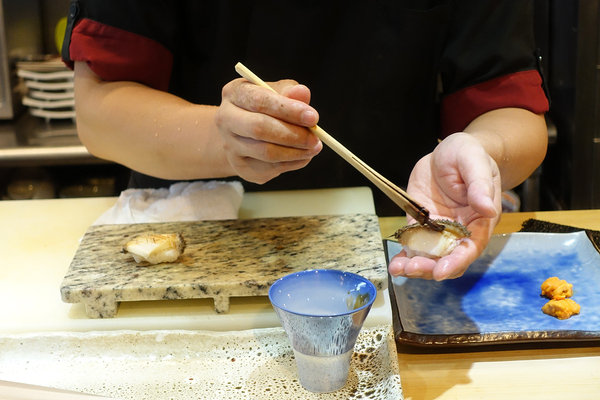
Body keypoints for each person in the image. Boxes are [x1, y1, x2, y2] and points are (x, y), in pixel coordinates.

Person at [62, 0, 549, 281]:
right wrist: (223, 138)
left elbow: (510, 108)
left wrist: (483, 153)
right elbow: (100, 108)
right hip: (190, 245)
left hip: (392, 254)